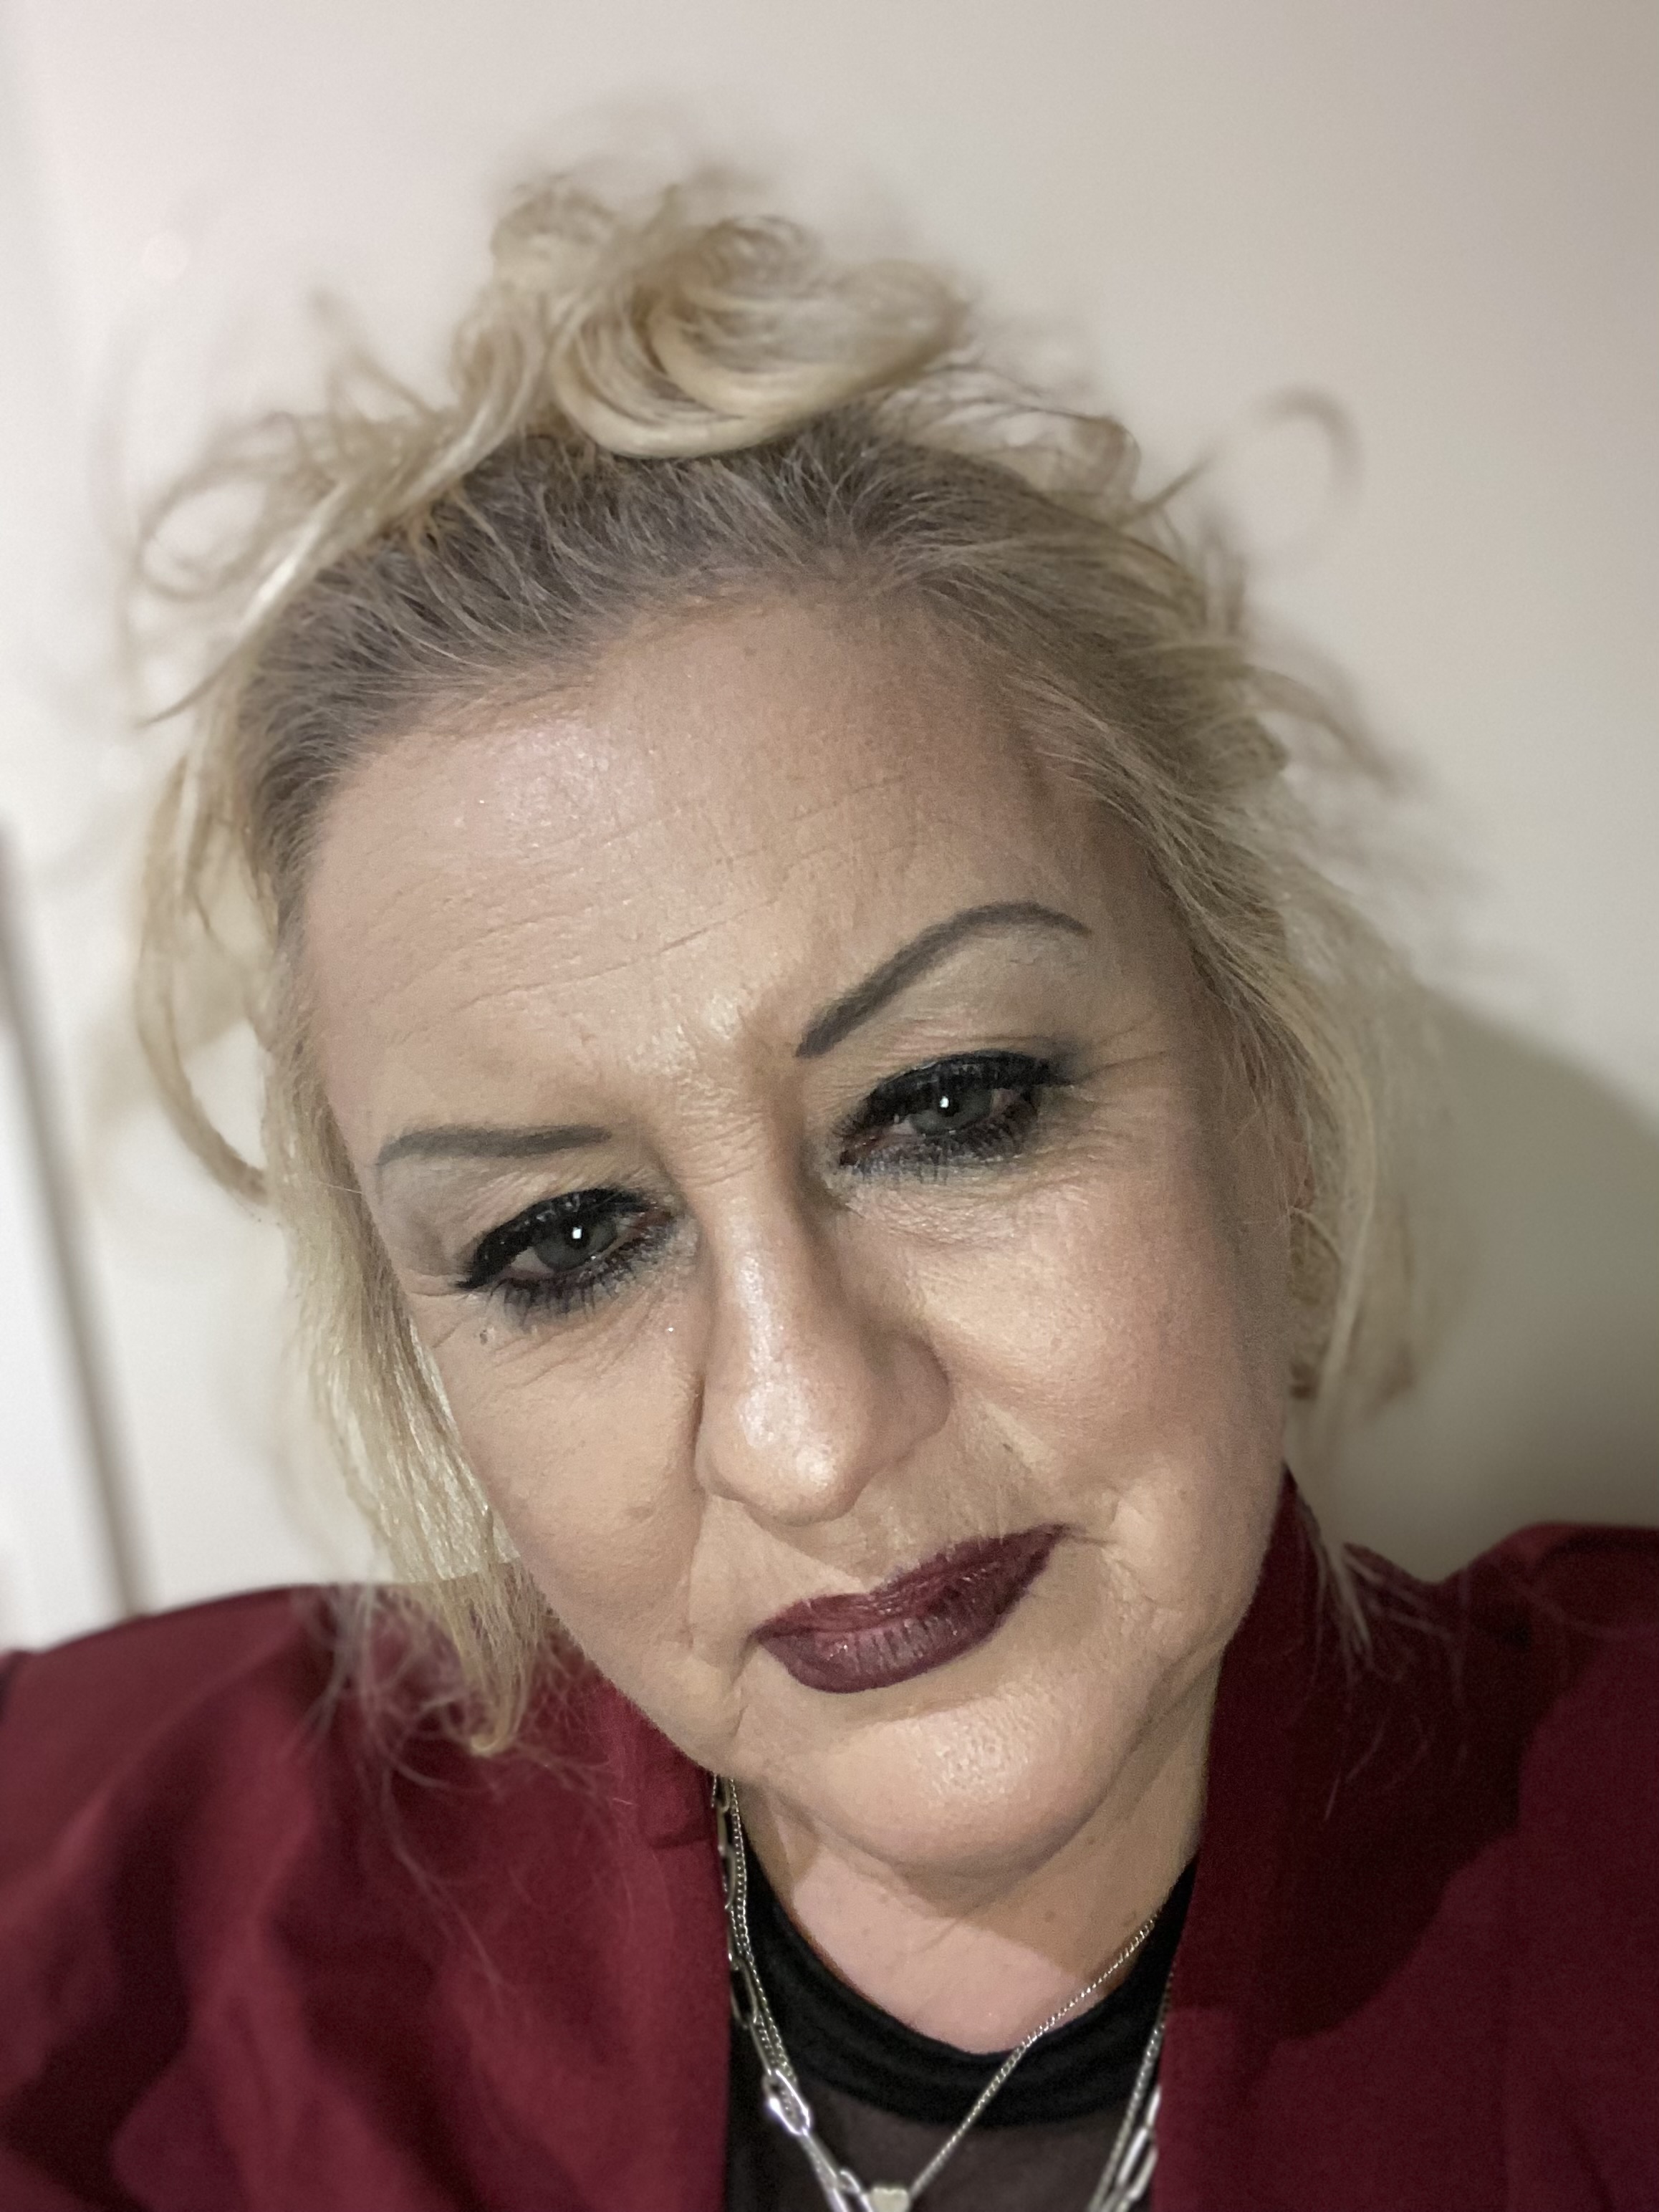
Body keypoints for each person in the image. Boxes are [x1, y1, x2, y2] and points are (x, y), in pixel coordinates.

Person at [1, 175, 1654, 2212]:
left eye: (950, 1105)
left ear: (1268, 1109)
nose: (806, 1434)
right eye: (563, 1242)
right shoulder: (151, 1927)